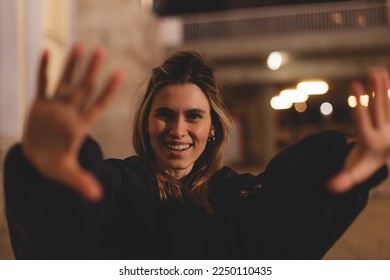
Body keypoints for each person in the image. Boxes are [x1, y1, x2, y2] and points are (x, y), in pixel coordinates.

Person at [3, 44, 390, 259]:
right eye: (165, 115)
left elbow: (282, 222)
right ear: (145, 123)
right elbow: (66, 237)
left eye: (193, 116)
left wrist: (343, 171)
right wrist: (45, 177)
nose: (178, 130)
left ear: (213, 128)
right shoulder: (119, 185)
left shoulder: (236, 197)